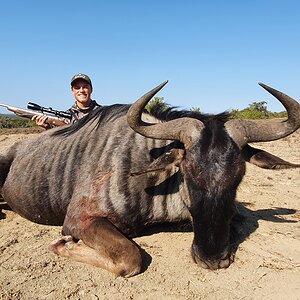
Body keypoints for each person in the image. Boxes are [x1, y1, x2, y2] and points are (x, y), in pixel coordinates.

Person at [32, 73, 100, 129]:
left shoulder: (102, 113)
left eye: (85, 87)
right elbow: (60, 141)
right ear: (72, 91)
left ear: (91, 89)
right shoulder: (66, 116)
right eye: (77, 88)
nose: (81, 90)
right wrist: (47, 128)